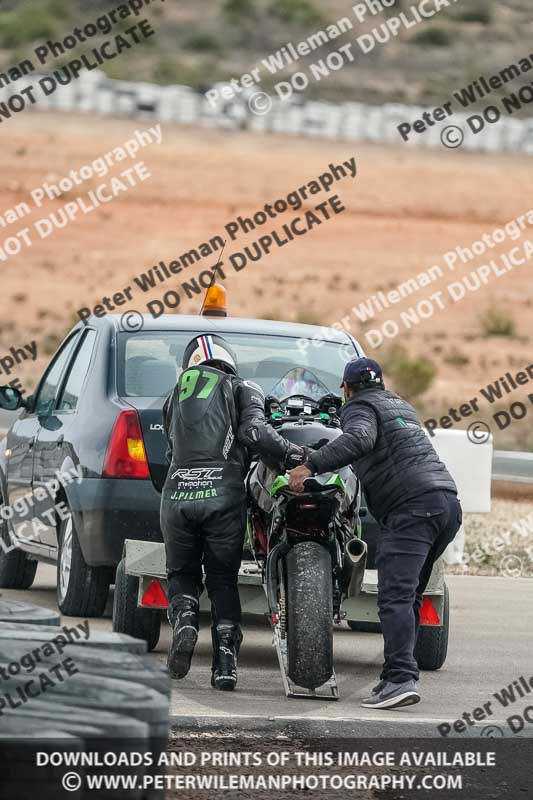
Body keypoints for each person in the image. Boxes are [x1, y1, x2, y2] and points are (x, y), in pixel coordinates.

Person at [288, 357, 462, 710]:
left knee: (394, 597)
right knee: (410, 597)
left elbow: (360, 439)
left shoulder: (359, 407)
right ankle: (396, 674)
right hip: (446, 504)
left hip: (411, 509)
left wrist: (311, 466)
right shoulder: (399, 405)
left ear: (347, 389)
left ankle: (400, 680)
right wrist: (316, 452)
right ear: (380, 383)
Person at [161, 334, 305, 691]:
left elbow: (170, 449)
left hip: (176, 494)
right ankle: (225, 664)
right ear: (229, 360)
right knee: (222, 579)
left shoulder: (173, 394)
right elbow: (254, 431)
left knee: (181, 572)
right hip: (222, 496)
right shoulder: (243, 387)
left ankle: (185, 620)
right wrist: (293, 455)